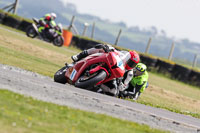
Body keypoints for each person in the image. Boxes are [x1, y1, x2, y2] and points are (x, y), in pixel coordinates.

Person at [71, 43, 140, 96]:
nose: (131, 65)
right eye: (131, 62)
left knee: (114, 92)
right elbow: (114, 50)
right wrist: (108, 47)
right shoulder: (121, 54)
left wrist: (122, 85)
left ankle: (96, 87)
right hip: (107, 62)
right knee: (100, 47)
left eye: (133, 64)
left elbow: (124, 85)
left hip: (113, 76)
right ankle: (78, 56)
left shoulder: (130, 73)